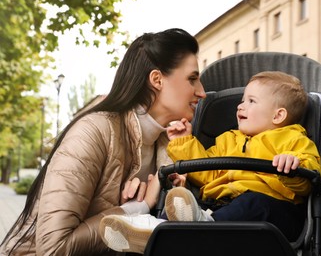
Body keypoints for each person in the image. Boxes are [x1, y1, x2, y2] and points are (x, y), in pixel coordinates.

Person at [0, 28, 206, 255]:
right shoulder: (93, 132)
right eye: (193, 79)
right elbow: (53, 249)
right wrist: (138, 208)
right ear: (157, 79)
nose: (202, 92)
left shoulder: (170, 142)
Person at [99, 71, 321, 252]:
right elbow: (206, 172)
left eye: (251, 101)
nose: (240, 106)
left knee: (253, 203)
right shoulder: (227, 141)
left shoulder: (293, 138)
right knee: (185, 202)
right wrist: (184, 141)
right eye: (242, 100)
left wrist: (292, 164)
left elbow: (310, 174)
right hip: (221, 207)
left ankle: (180, 229)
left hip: (276, 213)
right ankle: (159, 229)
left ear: (278, 116)